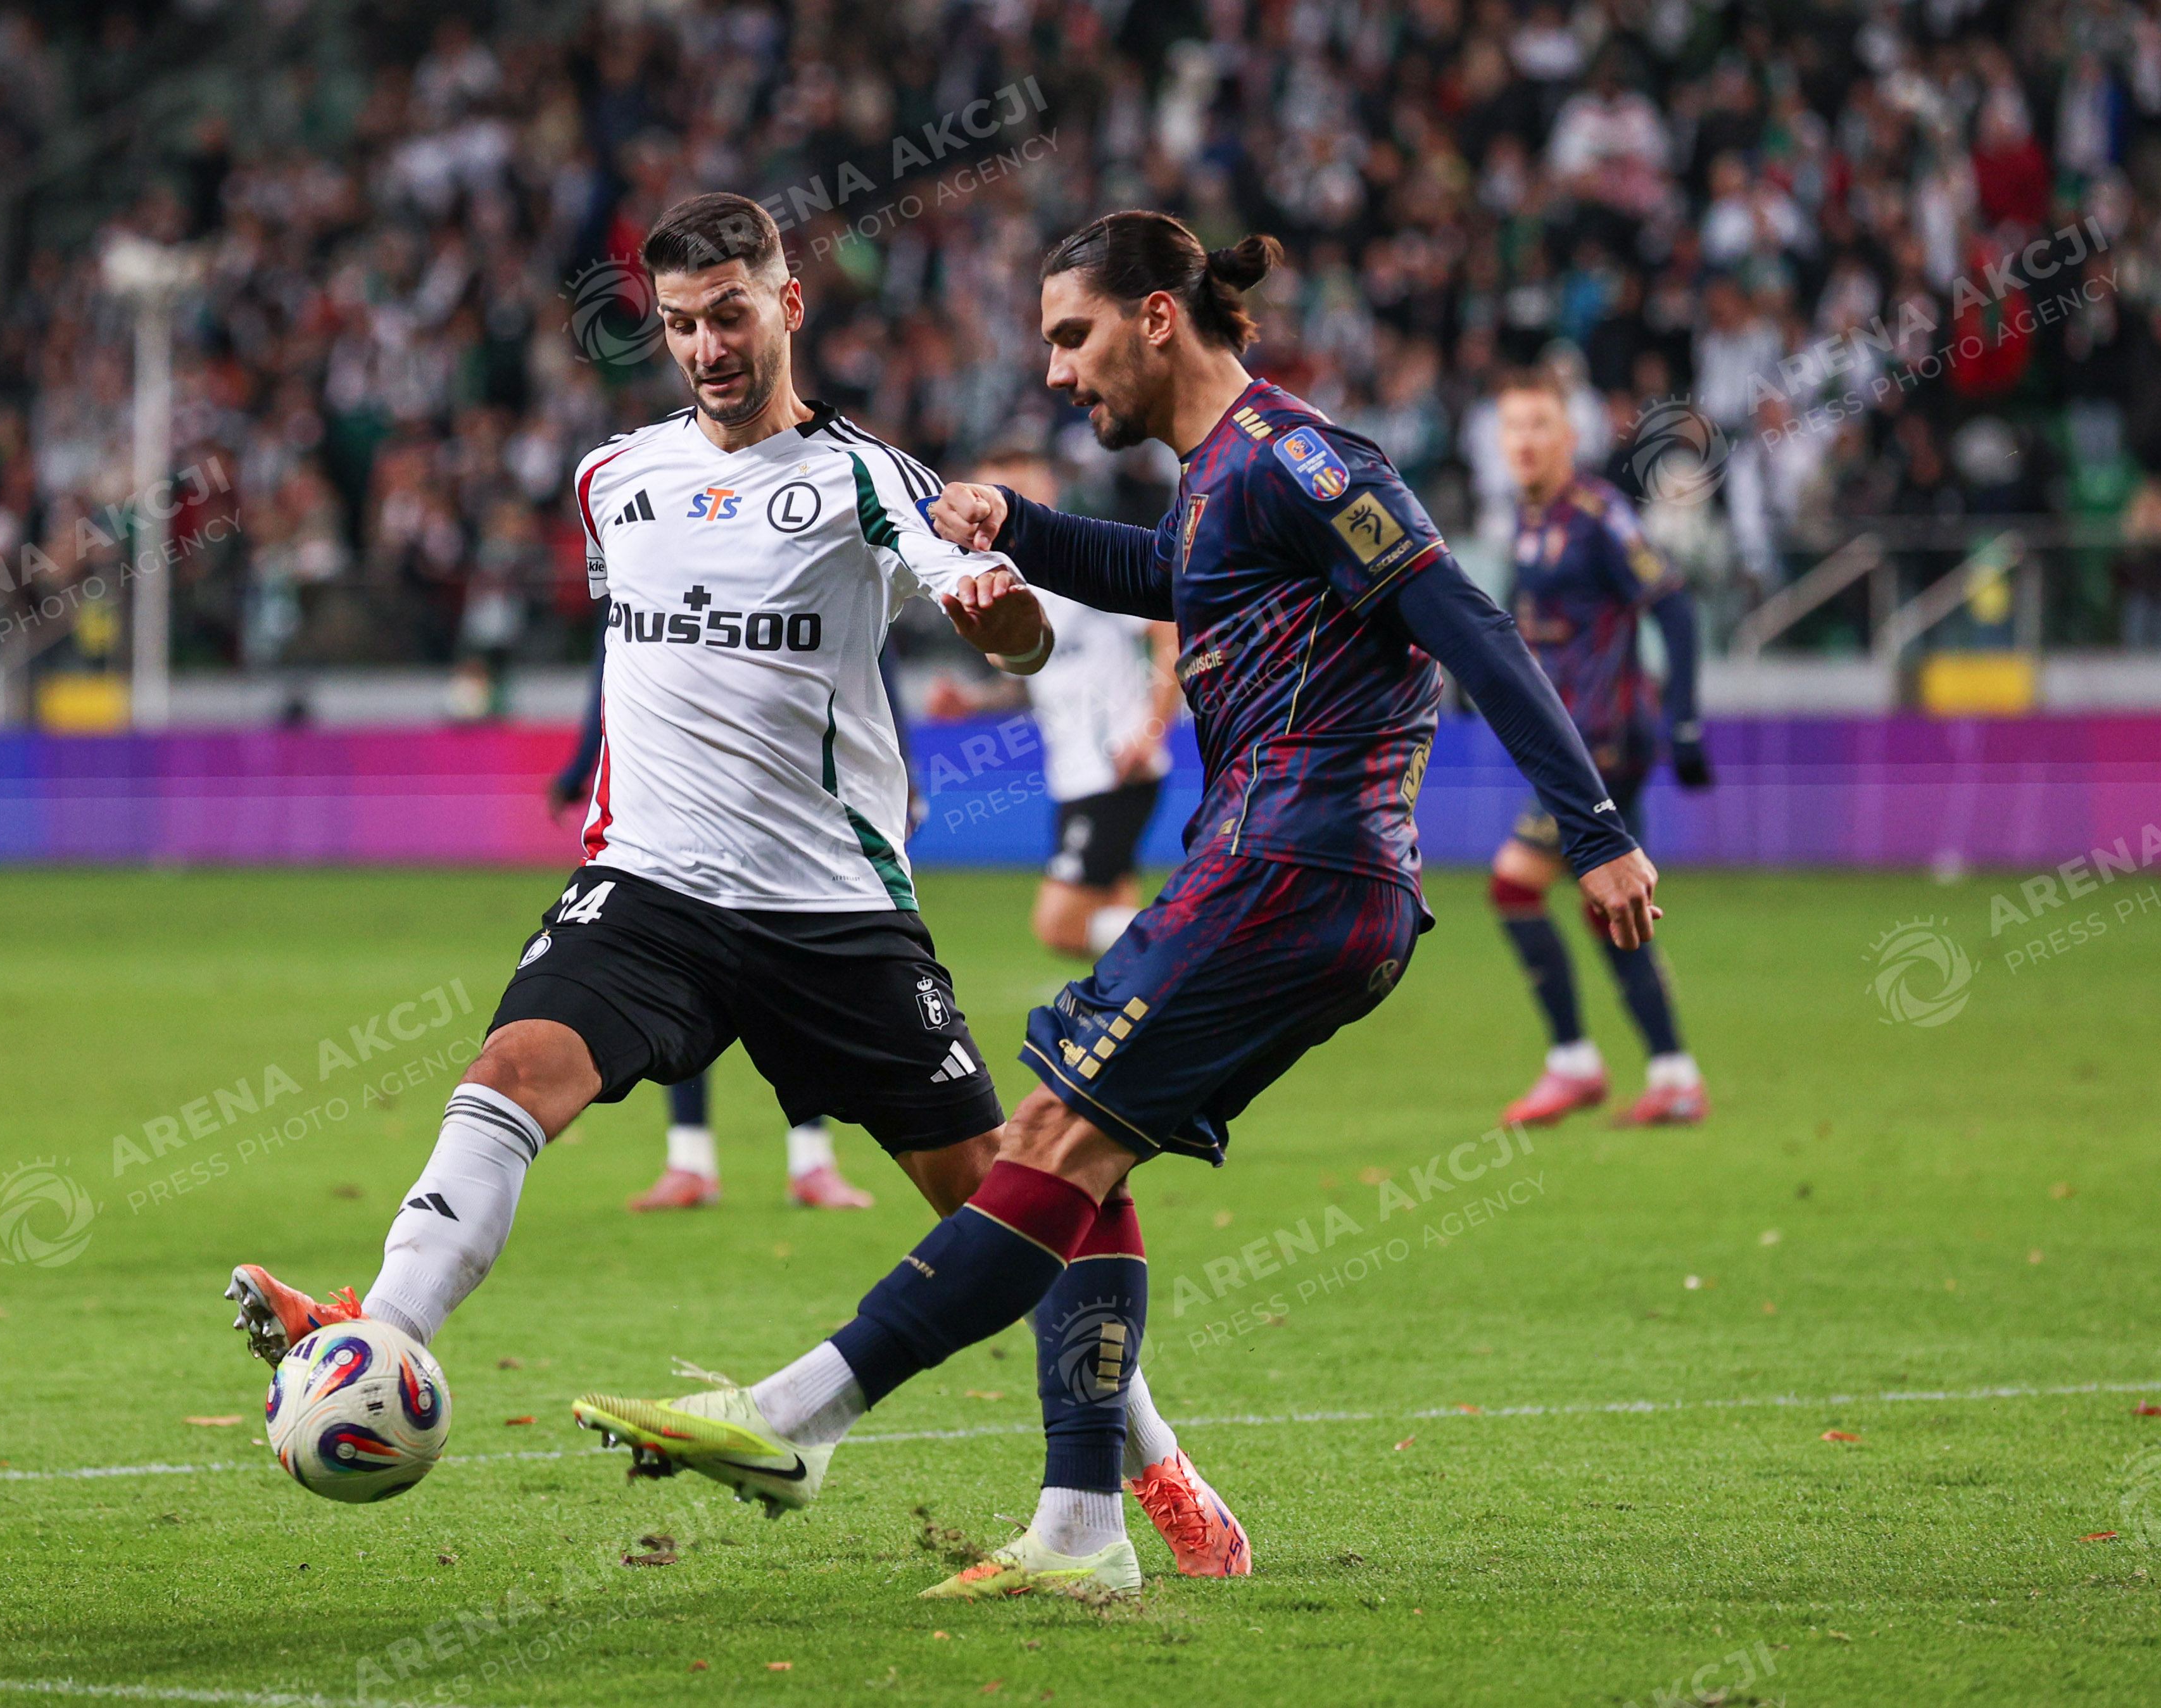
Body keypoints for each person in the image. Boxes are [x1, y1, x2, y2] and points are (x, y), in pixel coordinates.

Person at [572, 210, 1660, 1601]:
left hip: (1294, 862)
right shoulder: (1219, 480)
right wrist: (1018, 525)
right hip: (1291, 870)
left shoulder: (1298, 459)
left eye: (1072, 336)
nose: (1055, 371)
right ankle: (1083, 1522)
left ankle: (800, 1415)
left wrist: (1595, 827)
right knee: (1077, 1156)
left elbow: (1466, 619)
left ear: (1156, 317)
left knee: (1046, 1137)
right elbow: (1163, 576)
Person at [225, 192, 1250, 1578]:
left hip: (833, 915)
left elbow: (994, 616)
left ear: (787, 305)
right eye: (679, 324)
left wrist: (1005, 625)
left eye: (729, 314)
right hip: (648, 888)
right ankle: (381, 1336)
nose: (707, 346)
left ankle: (1155, 1459)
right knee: (512, 1072)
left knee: (1006, 1197)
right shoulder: (612, 479)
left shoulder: (866, 476)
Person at [548, 644, 874, 1209]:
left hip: (783, 802)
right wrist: (582, 766)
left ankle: (811, 1160)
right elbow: (612, 664)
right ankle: (691, 1162)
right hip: (679, 810)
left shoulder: (808, 589)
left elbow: (867, 658)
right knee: (683, 979)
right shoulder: (639, 584)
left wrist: (898, 769)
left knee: (795, 981)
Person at [1487, 368, 1712, 1128]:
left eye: (1539, 425)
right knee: (1613, 906)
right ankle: (1675, 1074)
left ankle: (1574, 1063)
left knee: (1515, 884)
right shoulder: (1527, 520)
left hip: (1605, 741)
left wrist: (1685, 721)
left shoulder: (1597, 515)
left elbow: (1674, 607)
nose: (1524, 440)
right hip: (1572, 741)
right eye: (1513, 426)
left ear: (1569, 437)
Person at [925, 448, 1182, 960]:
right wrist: (972, 702)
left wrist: (1151, 730)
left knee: (1060, 925)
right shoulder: (1011, 583)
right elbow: (1032, 681)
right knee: (1112, 920)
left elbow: (1168, 632)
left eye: (1014, 492)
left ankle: (1209, 952)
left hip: (1116, 767)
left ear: (1045, 493)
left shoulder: (1080, 564)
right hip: (1075, 773)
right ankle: (1155, 996)